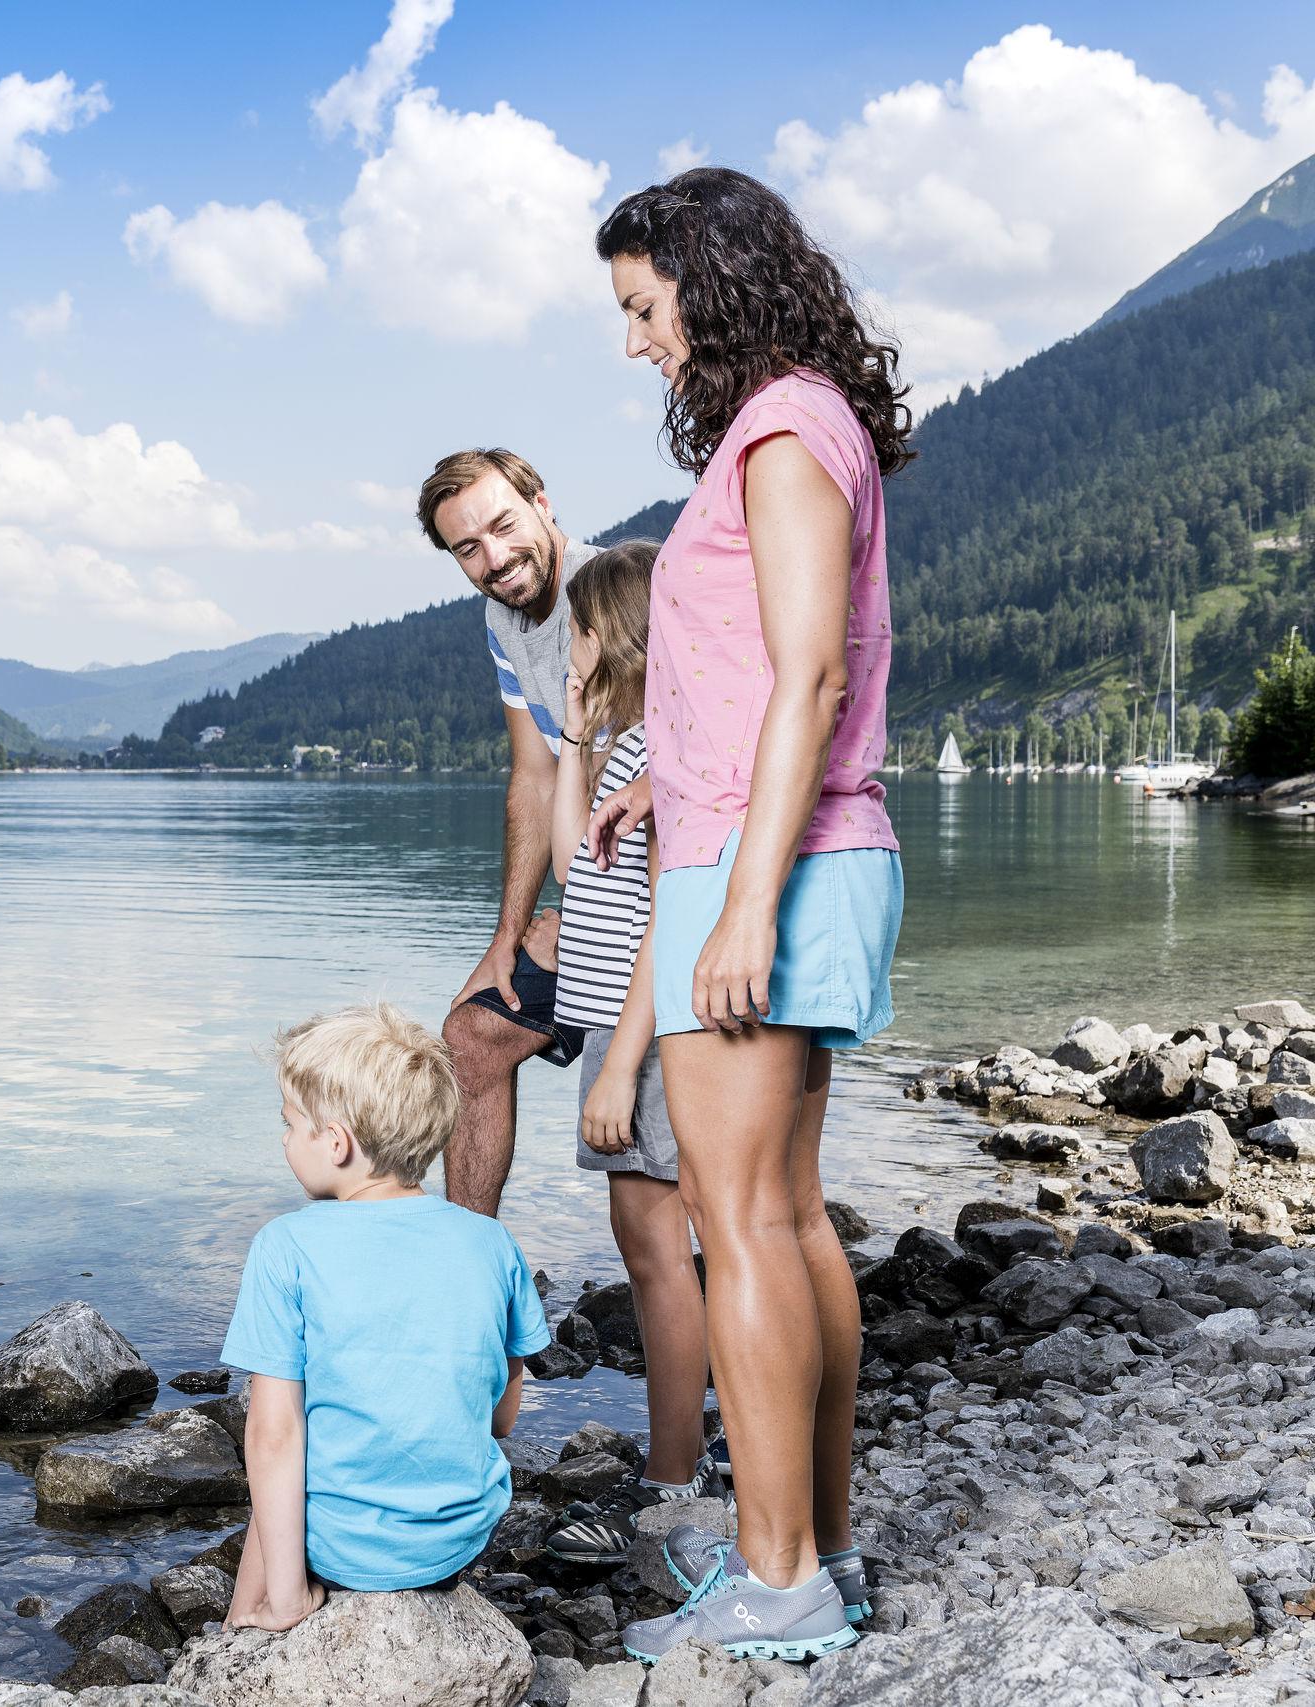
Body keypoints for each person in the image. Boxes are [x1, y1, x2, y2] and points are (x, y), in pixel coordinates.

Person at [590, 165, 910, 1664]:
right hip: (768, 842)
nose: (635, 340)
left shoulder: (780, 430)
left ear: (709, 283)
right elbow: (757, 684)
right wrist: (665, 796)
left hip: (766, 869)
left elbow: (812, 678)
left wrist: (740, 905)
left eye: (643, 307)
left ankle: (774, 1579)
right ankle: (817, 1551)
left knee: (738, 1223)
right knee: (784, 1215)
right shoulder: (801, 420)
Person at [220, 1003, 550, 1633]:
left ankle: (255, 1619)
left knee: (281, 1454)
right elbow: (502, 1418)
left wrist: (291, 1594)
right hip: (462, 1535)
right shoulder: (490, 1241)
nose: (284, 1140)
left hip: (345, 1549)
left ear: (336, 1141)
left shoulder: (285, 1245)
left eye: (290, 1124)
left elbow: (274, 1435)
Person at [530, 540, 717, 1568]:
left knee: (656, 1254)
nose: (570, 647)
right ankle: (687, 1457)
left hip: (638, 1033)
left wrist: (615, 1066)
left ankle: (674, 1475)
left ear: (608, 636)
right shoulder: (634, 748)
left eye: (577, 631)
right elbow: (573, 866)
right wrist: (572, 740)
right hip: (620, 1025)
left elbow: (664, 922)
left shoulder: (661, 758)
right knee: (653, 1246)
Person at [413, 450, 599, 1215]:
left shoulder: (614, 589)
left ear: (542, 504)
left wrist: (585, 917)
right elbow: (535, 775)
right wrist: (507, 936)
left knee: (650, 1174)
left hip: (662, 906)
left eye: (503, 525)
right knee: (471, 1038)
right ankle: (469, 1259)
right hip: (599, 894)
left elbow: (667, 766)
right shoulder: (503, 619)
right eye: (468, 547)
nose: (493, 558)